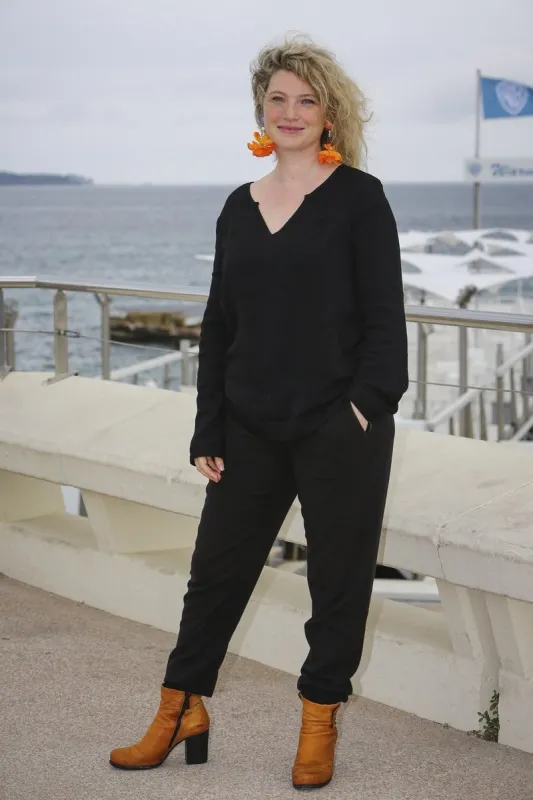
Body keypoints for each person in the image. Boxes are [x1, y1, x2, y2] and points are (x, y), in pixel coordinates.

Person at [109, 34, 409, 791]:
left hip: (338, 427)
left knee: (336, 582)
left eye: (305, 100)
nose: (290, 111)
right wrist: (208, 425)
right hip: (246, 424)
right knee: (214, 575)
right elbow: (220, 323)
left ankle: (318, 718)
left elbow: (384, 325)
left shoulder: (359, 200)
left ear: (328, 113)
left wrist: (363, 411)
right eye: (277, 98)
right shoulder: (238, 207)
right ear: (260, 110)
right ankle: (180, 709)